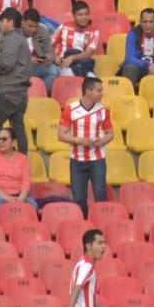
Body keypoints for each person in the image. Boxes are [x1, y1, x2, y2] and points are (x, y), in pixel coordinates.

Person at [59, 77, 113, 215]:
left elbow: (110, 134)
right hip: (77, 160)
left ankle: (102, 222)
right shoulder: (71, 109)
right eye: (99, 90)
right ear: (88, 91)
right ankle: (83, 225)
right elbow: (61, 135)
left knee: (100, 194)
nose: (102, 93)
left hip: (98, 158)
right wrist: (79, 140)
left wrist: (101, 142)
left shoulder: (103, 111)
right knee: (79, 198)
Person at [0, 8, 32, 154]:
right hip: (21, 92)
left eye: (3, 21)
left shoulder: (10, 38)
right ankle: (23, 162)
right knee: (18, 128)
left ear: (10, 22)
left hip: (8, 93)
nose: (0, 24)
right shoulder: (22, 39)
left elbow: (6, 63)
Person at [0, 126, 34, 213]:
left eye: (4, 139)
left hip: (18, 195)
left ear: (13, 142)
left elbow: (26, 181)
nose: (0, 142)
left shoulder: (23, 159)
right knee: (0, 204)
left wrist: (21, 198)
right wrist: (8, 198)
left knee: (32, 205)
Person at [68, 229, 107, 307]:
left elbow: (92, 300)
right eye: (99, 243)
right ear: (88, 246)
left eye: (104, 243)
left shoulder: (83, 263)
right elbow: (76, 288)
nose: (104, 246)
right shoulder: (86, 265)